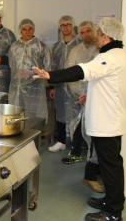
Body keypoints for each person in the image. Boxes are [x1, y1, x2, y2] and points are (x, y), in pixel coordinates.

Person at [32, 17, 126, 221]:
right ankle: (112, 201)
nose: (95, 37)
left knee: (110, 168)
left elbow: (80, 71)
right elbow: (107, 85)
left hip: (107, 124)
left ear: (106, 36)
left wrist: (49, 75)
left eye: (98, 34)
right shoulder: (119, 55)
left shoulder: (108, 57)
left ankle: (113, 213)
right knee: (111, 165)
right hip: (112, 121)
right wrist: (91, 95)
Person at [62, 21, 103, 193]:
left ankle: (93, 167)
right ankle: (77, 152)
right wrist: (79, 94)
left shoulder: (101, 51)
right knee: (77, 124)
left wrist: (92, 95)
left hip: (98, 98)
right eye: (83, 32)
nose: (86, 34)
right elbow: (70, 71)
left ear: (94, 33)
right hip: (78, 96)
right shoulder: (75, 51)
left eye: (89, 31)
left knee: (95, 132)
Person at [48, 15, 82, 152]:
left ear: (73, 26)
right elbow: (53, 67)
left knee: (77, 113)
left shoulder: (80, 44)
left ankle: (77, 143)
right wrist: (52, 86)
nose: (65, 27)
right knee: (60, 112)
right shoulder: (56, 46)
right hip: (60, 86)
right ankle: (61, 141)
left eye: (68, 24)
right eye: (62, 25)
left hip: (76, 86)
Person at [8, 19, 51, 120]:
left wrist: (31, 75)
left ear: (34, 30)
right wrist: (18, 74)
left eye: (30, 29)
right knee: (17, 112)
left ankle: (34, 132)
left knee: (34, 113)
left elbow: (47, 65)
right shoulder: (14, 46)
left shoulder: (41, 46)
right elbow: (12, 64)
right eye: (25, 29)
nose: (28, 32)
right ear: (20, 31)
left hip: (35, 85)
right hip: (17, 84)